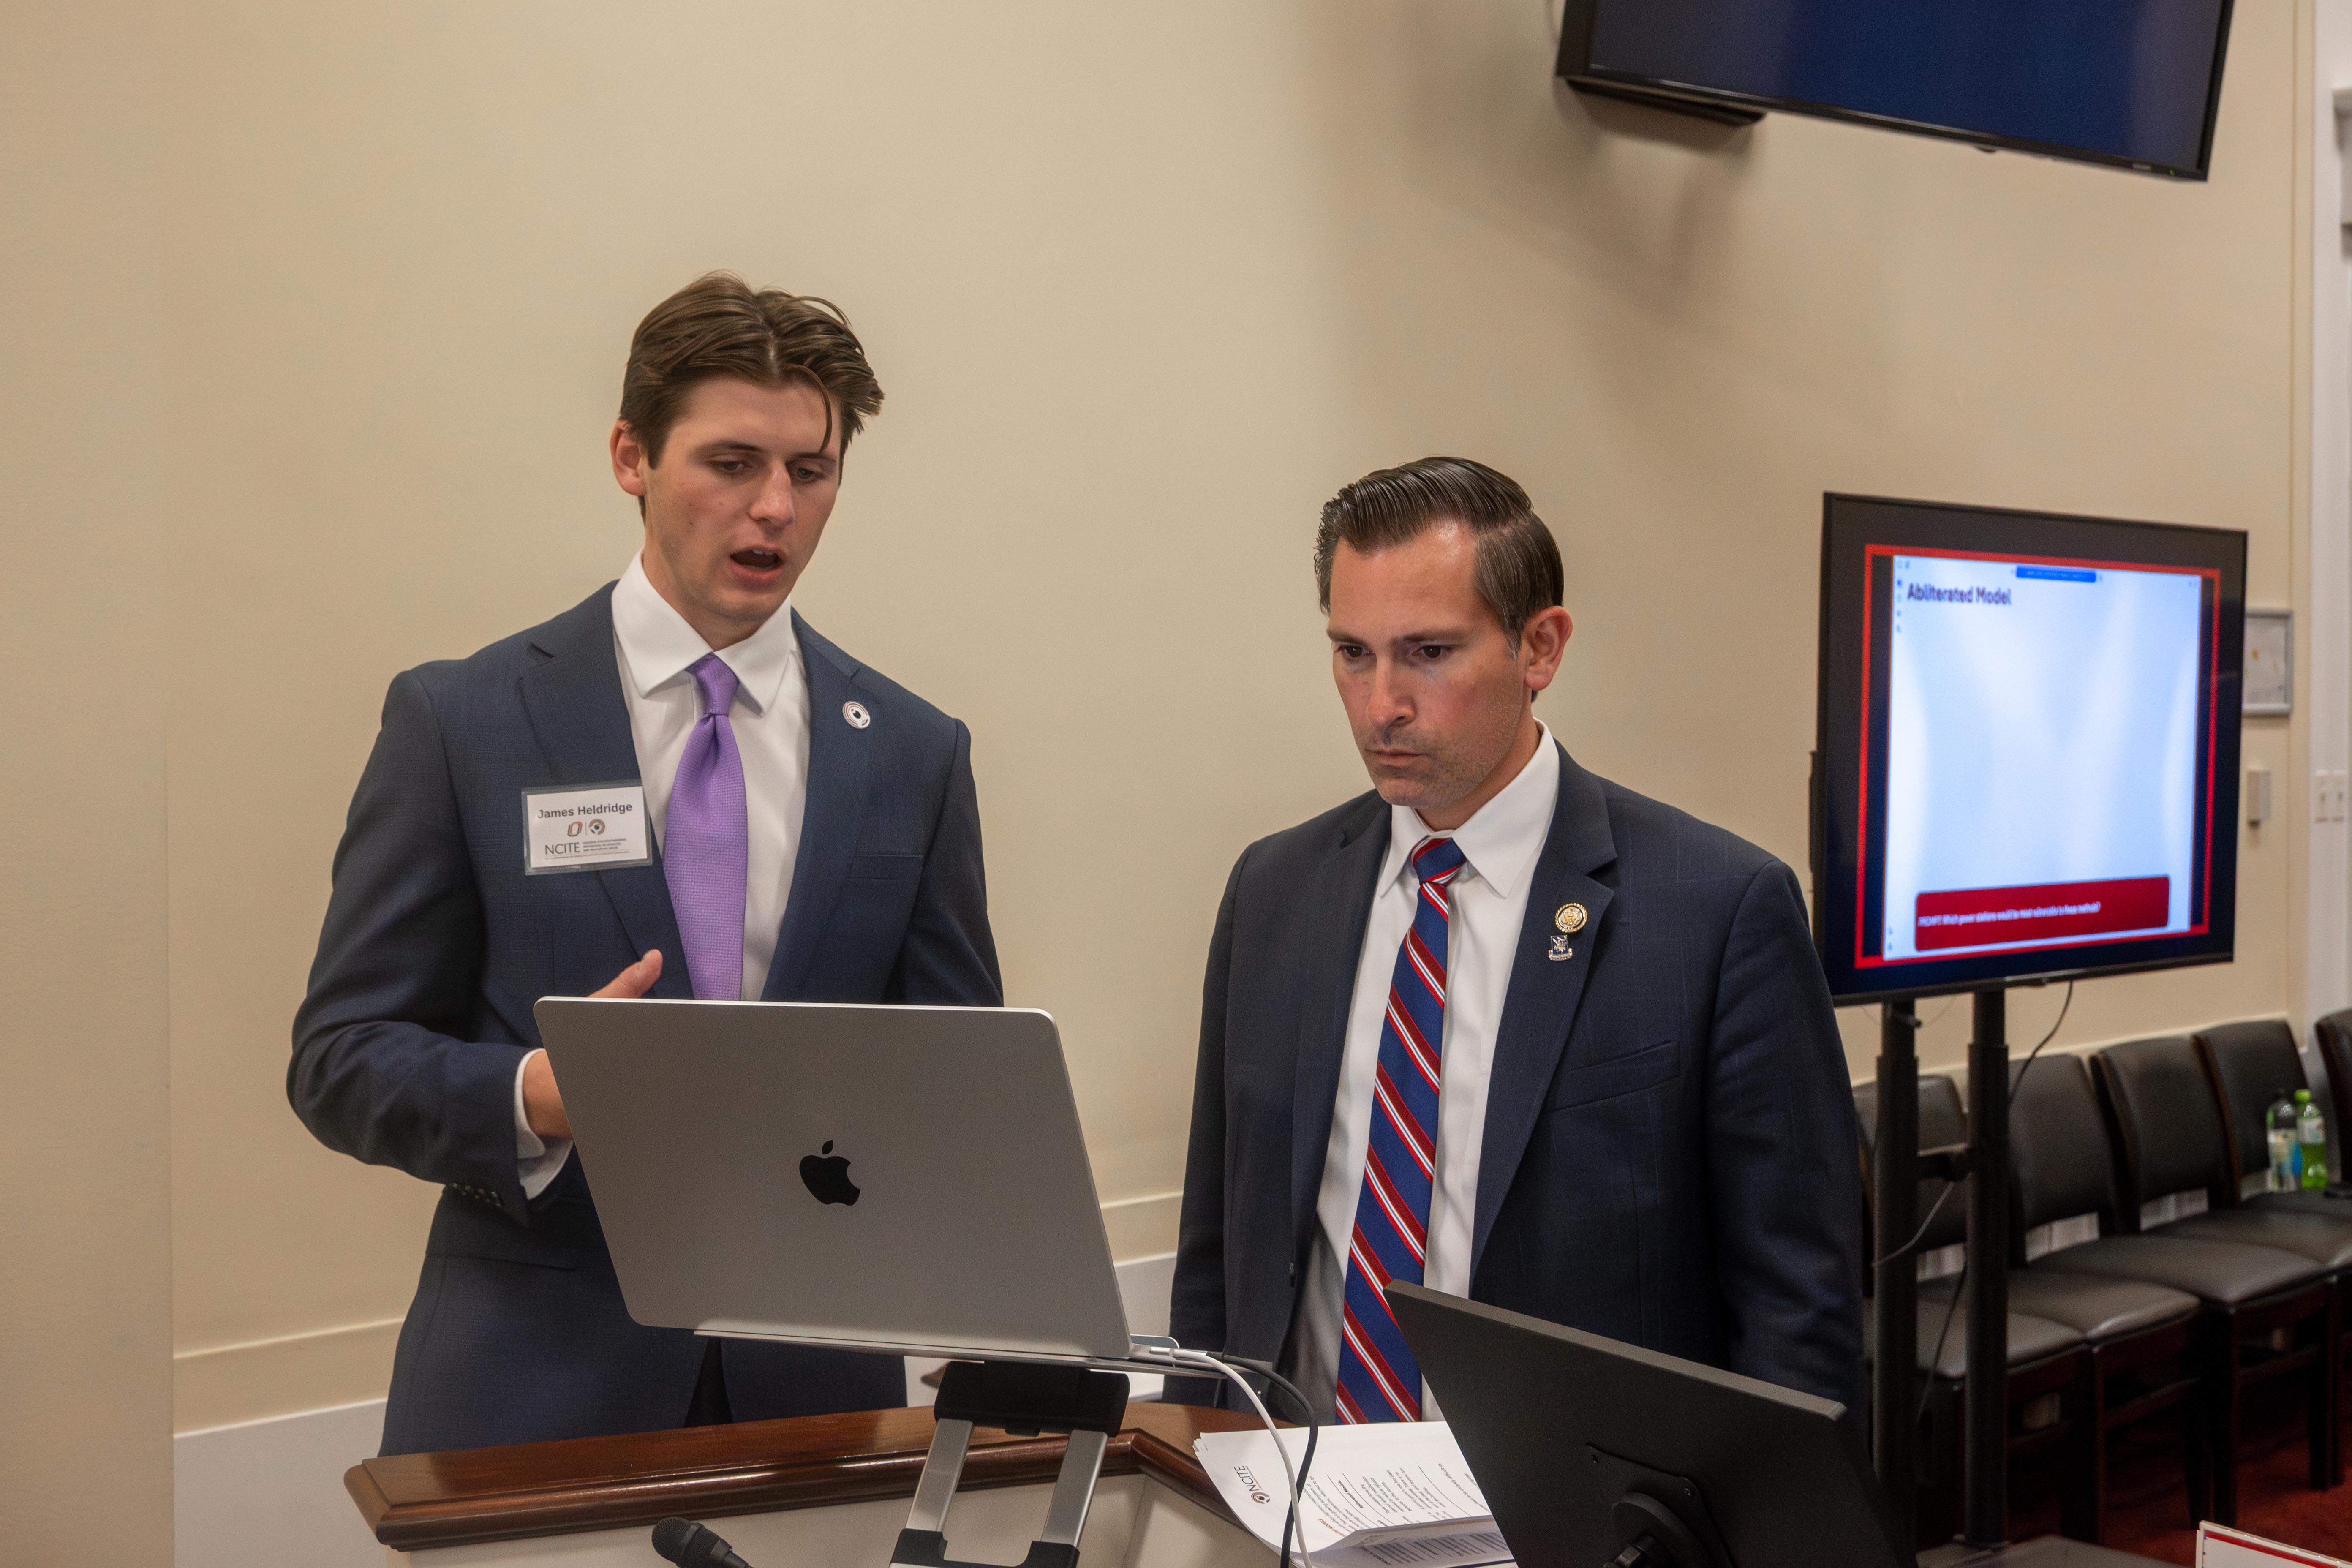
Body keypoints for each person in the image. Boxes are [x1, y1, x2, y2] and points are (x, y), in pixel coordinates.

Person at [290, 273, 1000, 1455]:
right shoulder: (465, 723)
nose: (773, 508)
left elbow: (956, 1081)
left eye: (809, 473)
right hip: (532, 1390)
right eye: (731, 464)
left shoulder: (916, 754)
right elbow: (340, 1059)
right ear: (632, 456)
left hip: (817, 1401)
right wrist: (539, 1098)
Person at [1168, 457, 1862, 1422]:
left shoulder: (1716, 910)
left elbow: (1799, 1310)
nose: (1382, 705)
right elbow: (1218, 1254)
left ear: (1540, 648)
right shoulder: (1275, 891)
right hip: (1298, 1500)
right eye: (1353, 653)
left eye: (1430, 652)